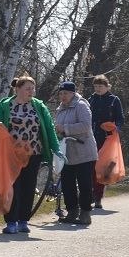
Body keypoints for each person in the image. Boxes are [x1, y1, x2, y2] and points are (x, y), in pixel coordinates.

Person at [0, 74, 60, 234]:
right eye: (28, 88)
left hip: (33, 153)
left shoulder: (39, 106)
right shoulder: (5, 105)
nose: (31, 91)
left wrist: (56, 148)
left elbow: (49, 127)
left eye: (33, 88)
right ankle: (11, 222)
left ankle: (23, 220)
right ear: (18, 89)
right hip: (11, 154)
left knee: (29, 187)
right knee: (13, 187)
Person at [54, 81, 98, 226]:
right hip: (67, 153)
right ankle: (72, 211)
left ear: (73, 93)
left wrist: (65, 128)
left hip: (84, 151)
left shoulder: (81, 105)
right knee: (67, 184)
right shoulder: (60, 109)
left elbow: (86, 126)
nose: (63, 96)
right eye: (60, 93)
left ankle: (85, 213)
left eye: (65, 93)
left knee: (85, 183)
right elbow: (58, 128)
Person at [87, 74, 125, 208]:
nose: (98, 89)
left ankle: (98, 196)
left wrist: (115, 127)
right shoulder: (91, 99)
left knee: (104, 167)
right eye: (96, 86)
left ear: (107, 86)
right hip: (90, 136)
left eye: (100, 86)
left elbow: (120, 118)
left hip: (107, 138)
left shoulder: (114, 100)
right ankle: (91, 193)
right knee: (91, 166)